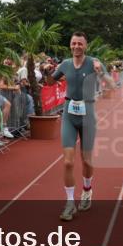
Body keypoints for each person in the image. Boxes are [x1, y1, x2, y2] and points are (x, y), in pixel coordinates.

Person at [47, 31, 111, 222]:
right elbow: (50, 81)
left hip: (88, 114)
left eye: (80, 44)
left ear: (86, 46)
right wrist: (48, 71)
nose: (76, 47)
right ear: (70, 45)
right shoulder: (65, 64)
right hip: (69, 113)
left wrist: (101, 72)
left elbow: (111, 84)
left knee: (87, 160)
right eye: (73, 43)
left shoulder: (94, 62)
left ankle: (87, 190)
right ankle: (69, 203)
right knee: (68, 162)